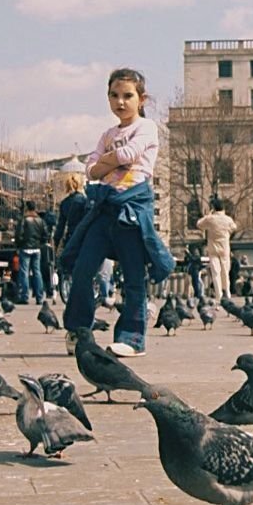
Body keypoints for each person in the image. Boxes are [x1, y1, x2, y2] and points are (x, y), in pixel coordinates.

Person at [61, 68, 174, 358]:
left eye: (127, 96)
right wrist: (108, 164)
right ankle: (78, 330)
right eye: (114, 95)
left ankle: (132, 338)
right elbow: (90, 169)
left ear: (141, 98)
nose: (120, 102)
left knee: (133, 276)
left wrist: (106, 163)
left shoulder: (147, 128)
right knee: (83, 267)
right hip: (105, 206)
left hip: (133, 208)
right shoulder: (108, 134)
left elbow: (125, 156)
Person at [196, 197, 238, 299]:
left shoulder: (210, 219)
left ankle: (218, 296)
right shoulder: (228, 219)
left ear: (214, 208)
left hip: (213, 248)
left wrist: (209, 214)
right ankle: (227, 293)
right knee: (225, 272)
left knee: (216, 273)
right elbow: (234, 228)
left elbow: (199, 224)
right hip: (224, 248)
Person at [13, 200, 49, 304]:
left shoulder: (24, 220)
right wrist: (40, 244)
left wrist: (19, 244)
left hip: (25, 248)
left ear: (27, 208)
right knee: (37, 272)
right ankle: (39, 297)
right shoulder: (40, 220)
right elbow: (45, 234)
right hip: (37, 248)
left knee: (24, 272)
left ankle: (25, 296)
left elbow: (19, 234)